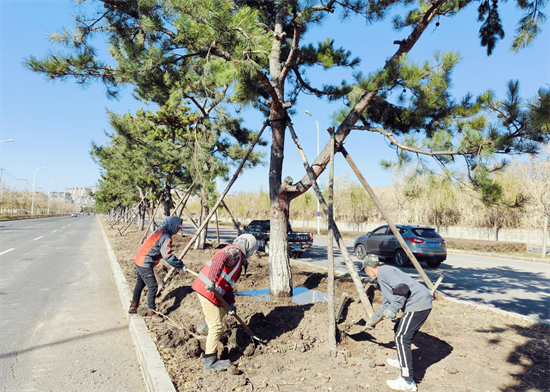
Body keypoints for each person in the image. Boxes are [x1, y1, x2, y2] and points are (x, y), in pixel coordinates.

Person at [362, 254, 433, 392]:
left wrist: (394, 309)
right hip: (418, 303)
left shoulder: (385, 271)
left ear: (368, 269)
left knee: (402, 338)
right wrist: (372, 321)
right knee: (398, 328)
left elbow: (403, 288)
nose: (366, 273)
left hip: (418, 304)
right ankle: (402, 360)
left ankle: (407, 381)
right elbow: (387, 303)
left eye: (365, 271)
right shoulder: (383, 276)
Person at [191, 233, 259, 372]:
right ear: (249, 248)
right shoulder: (234, 252)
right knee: (216, 326)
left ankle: (204, 328)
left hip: (212, 291)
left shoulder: (238, 261)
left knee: (222, 311)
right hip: (207, 289)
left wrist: (230, 304)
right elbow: (219, 259)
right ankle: (210, 362)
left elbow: (227, 285)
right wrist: (211, 280)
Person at [129, 216, 187, 322]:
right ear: (173, 225)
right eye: (178, 227)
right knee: (153, 287)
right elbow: (168, 257)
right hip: (144, 263)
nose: (179, 229)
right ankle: (150, 313)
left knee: (140, 283)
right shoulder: (166, 237)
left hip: (139, 259)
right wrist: (181, 265)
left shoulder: (161, 230)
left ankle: (133, 306)